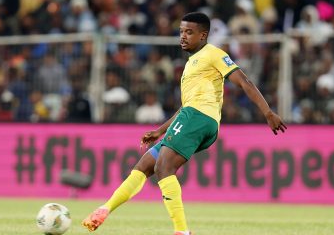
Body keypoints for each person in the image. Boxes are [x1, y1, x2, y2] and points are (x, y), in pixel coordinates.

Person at [82, 12, 287, 235]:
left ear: (203, 35)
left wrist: (267, 112)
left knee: (164, 167)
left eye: (189, 32)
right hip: (191, 116)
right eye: (181, 31)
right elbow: (186, 106)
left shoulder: (214, 54)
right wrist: (160, 131)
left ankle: (182, 232)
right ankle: (104, 209)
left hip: (200, 117)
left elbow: (244, 81)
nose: (183, 36)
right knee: (144, 165)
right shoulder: (191, 64)